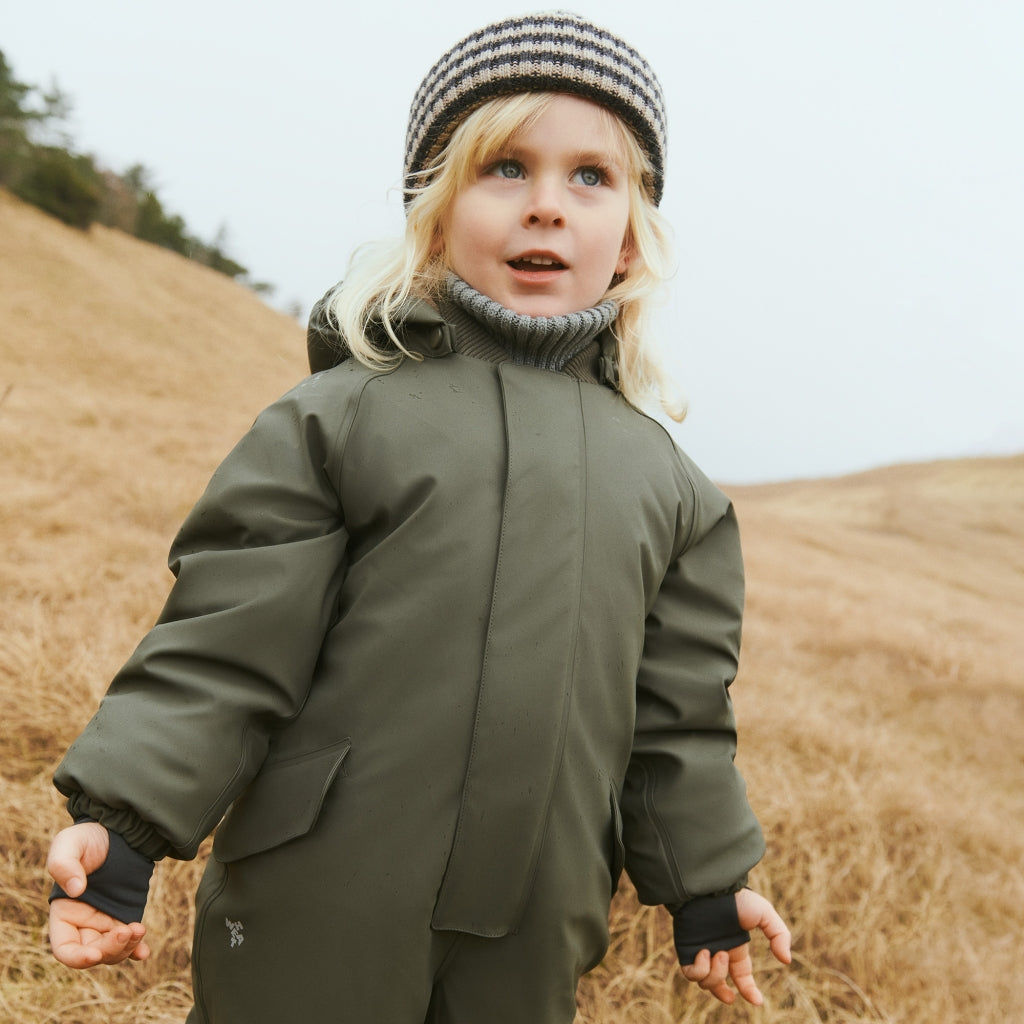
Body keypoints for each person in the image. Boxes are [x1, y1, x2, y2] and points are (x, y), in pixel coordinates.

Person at [46, 12, 791, 1023]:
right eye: (504, 168)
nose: (545, 206)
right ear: (436, 215)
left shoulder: (674, 493)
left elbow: (678, 721)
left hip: (536, 920)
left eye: (590, 177)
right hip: (318, 894)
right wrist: (124, 823)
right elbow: (227, 647)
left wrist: (706, 884)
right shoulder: (341, 417)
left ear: (630, 237)